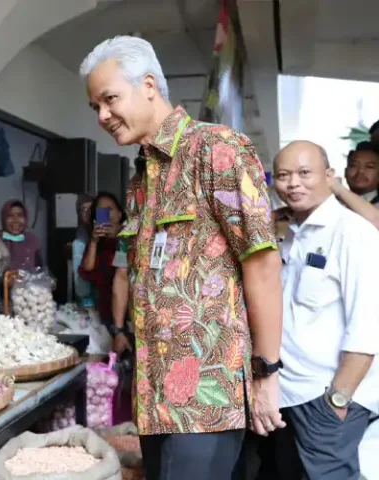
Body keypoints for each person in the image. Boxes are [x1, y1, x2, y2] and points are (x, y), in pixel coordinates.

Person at [79, 36, 284, 479]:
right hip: (154, 394)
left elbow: (262, 263)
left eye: (110, 99)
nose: (103, 116)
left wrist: (267, 373)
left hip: (206, 398)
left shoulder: (216, 150)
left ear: (148, 84)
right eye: (95, 106)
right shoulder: (140, 178)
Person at [269, 140, 378, 480]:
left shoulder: (352, 232)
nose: (293, 183)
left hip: (326, 396)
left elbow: (368, 325)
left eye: (305, 173)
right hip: (287, 394)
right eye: (283, 175)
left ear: (329, 176)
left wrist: (338, 400)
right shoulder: (289, 233)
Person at [78, 192, 129, 344]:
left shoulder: (130, 236)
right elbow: (87, 269)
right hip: (105, 309)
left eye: (110, 209)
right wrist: (94, 241)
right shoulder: (96, 243)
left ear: (120, 214)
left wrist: (122, 234)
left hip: (128, 306)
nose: (106, 214)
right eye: (101, 211)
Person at [331, 141, 379, 228]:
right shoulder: (332, 202)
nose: (360, 171)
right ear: (345, 172)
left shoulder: (340, 192)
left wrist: (340, 190)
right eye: (354, 165)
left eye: (369, 166)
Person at [0, 199, 43, 271]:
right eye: (10, 216)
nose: (15, 220)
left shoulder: (32, 240)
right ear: (4, 218)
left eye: (20, 215)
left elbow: (39, 270)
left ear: (25, 218)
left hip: (29, 282)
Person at [72, 194, 95, 306]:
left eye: (91, 208)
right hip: (88, 292)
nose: (87, 212)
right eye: (83, 210)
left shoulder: (108, 229)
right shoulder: (81, 237)